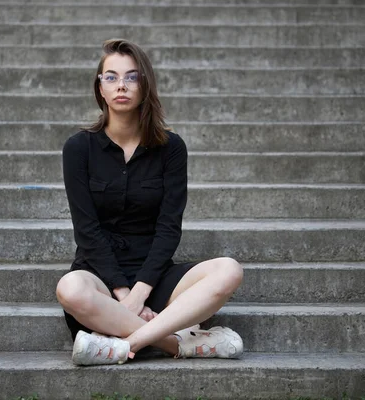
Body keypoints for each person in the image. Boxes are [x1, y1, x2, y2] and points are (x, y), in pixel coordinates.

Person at [56, 38, 244, 366]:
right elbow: (86, 231)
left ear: (145, 84)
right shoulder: (78, 148)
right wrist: (123, 296)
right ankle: (177, 344)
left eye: (132, 76)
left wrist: (141, 292)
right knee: (70, 288)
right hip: (101, 282)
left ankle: (123, 344)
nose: (121, 85)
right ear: (100, 88)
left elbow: (169, 228)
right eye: (111, 77)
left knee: (229, 270)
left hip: (155, 279)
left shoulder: (171, 148)